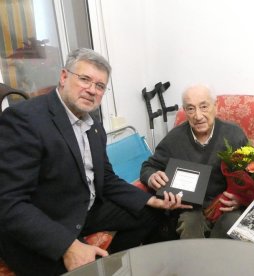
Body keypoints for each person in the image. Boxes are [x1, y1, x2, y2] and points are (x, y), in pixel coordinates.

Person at [0, 48, 191, 276]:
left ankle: (109, 265)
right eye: (84, 79)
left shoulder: (94, 126)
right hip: (46, 221)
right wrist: (67, 245)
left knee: (152, 214)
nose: (92, 90)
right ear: (63, 77)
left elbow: (107, 180)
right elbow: (9, 203)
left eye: (100, 86)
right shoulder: (26, 119)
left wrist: (151, 200)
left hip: (84, 209)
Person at [140, 84, 249, 239]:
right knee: (189, 223)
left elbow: (252, 172)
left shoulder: (233, 134)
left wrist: (242, 198)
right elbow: (149, 166)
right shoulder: (175, 138)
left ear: (215, 107)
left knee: (232, 226)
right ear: (185, 111)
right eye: (191, 109)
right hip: (190, 207)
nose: (198, 116)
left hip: (226, 206)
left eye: (203, 106)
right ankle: (195, 262)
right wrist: (152, 177)